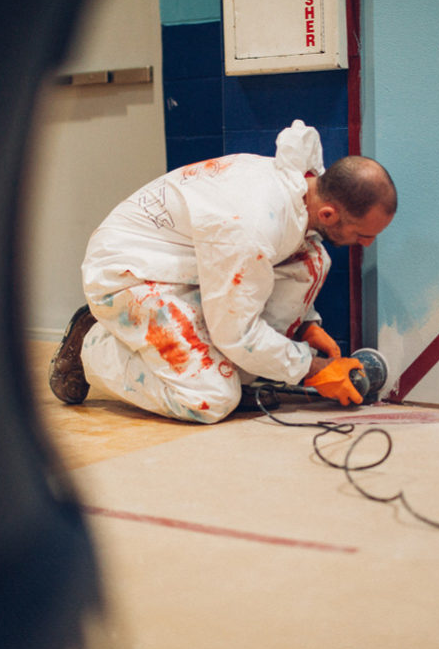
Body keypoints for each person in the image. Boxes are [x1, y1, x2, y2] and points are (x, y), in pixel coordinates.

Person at [49, 120, 397, 423]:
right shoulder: (252, 225)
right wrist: (313, 370)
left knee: (313, 259)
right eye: (362, 234)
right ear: (329, 214)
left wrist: (306, 323)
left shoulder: (300, 190)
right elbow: (237, 334)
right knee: (212, 400)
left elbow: (279, 257)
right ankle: (94, 344)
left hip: (184, 265)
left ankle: (243, 372)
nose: (365, 244)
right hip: (130, 273)